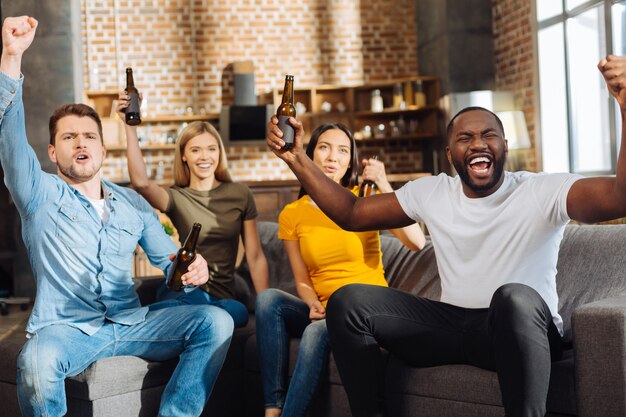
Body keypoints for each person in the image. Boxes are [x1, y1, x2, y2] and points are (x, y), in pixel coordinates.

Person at [266, 55, 626, 417]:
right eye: (465, 138)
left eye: (488, 135)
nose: (477, 143)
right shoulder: (434, 191)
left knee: (513, 297)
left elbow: (619, 197)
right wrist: (296, 157)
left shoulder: (540, 189)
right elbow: (351, 213)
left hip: (518, 329)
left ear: (504, 143)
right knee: (348, 301)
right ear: (450, 153)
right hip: (451, 328)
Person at [1, 16, 234, 417]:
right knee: (36, 364)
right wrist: (11, 56)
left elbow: (168, 264)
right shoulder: (37, 192)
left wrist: (190, 268)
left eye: (89, 136)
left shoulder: (132, 204)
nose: (81, 143)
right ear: (53, 152)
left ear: (102, 150)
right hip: (67, 329)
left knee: (216, 322)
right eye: (69, 137)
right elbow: (7, 130)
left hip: (131, 323)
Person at [256, 123, 425, 417]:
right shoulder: (292, 213)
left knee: (315, 333)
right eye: (324, 147)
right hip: (323, 307)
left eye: (343, 150)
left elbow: (417, 242)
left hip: (363, 311)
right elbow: (301, 278)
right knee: (267, 300)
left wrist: (386, 186)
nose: (333, 156)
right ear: (309, 155)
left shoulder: (364, 198)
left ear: (350, 162)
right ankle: (272, 407)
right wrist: (310, 303)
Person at [116, 98, 269, 328]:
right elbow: (141, 183)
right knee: (213, 312)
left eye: (211, 149)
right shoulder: (177, 197)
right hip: (183, 291)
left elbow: (255, 256)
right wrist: (129, 126)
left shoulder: (240, 194)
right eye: (195, 150)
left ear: (219, 153)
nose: (204, 157)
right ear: (184, 156)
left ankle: (143, 319)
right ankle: (148, 319)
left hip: (222, 298)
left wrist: (265, 305)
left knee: (236, 312)